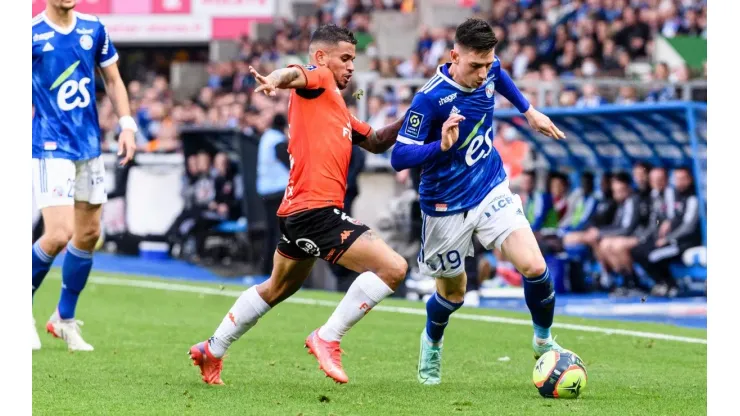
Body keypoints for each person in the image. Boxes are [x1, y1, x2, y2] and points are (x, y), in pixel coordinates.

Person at [189, 24, 407, 385]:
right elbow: (293, 74)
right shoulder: (318, 78)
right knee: (393, 268)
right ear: (321, 57)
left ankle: (212, 349)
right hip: (317, 212)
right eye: (345, 58)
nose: (351, 67)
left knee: (277, 288)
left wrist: (418, 115)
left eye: (354, 59)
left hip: (297, 214)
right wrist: (276, 78)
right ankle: (327, 336)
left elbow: (379, 141)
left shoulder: (337, 107)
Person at [389, 18, 567, 385]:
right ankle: (432, 342)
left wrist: (527, 110)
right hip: (444, 206)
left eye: (488, 64)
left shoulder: (488, 69)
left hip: (489, 187)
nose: (483, 73)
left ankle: (544, 342)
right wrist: (439, 146)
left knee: (534, 266)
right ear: (454, 55)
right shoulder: (430, 99)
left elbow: (500, 74)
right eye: (475, 66)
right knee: (453, 295)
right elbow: (399, 157)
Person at [31, 0, 137, 351]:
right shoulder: (30, 34)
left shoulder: (94, 28)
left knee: (89, 234)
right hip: (49, 145)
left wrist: (126, 125)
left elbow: (113, 79)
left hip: (88, 145)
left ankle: (62, 319)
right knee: (59, 233)